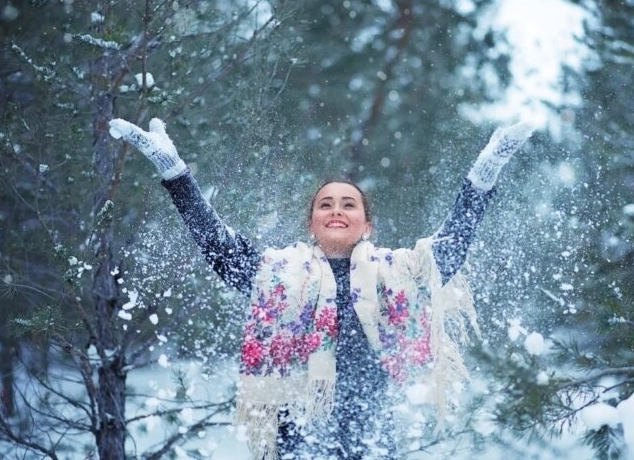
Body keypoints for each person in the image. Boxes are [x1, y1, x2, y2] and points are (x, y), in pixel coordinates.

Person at [108, 117, 535, 459]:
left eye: (348, 203)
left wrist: (485, 170)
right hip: (300, 446)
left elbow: (452, 244)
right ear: (311, 223)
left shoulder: (397, 274)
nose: (336, 209)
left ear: (367, 225)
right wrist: (175, 174)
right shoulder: (279, 274)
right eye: (325, 204)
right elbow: (217, 244)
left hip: (372, 445)